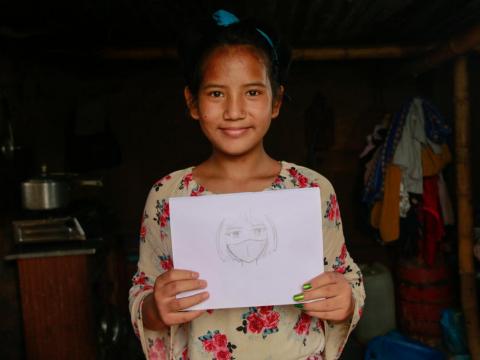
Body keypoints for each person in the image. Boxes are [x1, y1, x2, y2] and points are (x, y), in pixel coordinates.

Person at [129, 9, 365, 360]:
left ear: (277, 101)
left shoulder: (310, 189)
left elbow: (346, 275)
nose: (234, 111)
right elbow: (144, 288)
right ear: (192, 103)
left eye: (253, 92)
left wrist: (345, 300)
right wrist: (153, 308)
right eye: (216, 94)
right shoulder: (168, 195)